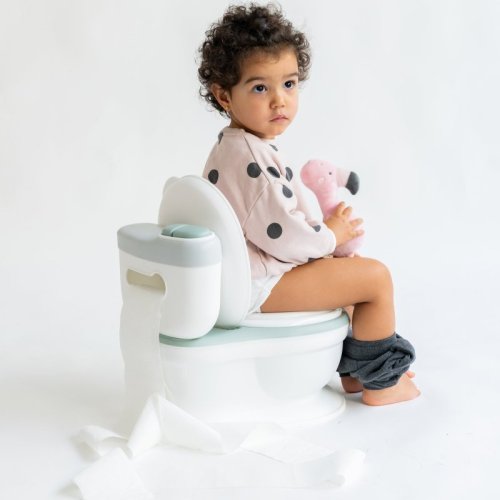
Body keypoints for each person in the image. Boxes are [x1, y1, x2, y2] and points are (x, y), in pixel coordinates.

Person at [198, 3, 420, 406]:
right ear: (224, 95)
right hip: (259, 286)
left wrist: (325, 244)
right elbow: (285, 235)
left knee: (349, 280)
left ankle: (356, 375)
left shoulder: (237, 147)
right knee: (375, 279)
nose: (279, 101)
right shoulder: (251, 159)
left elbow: (273, 225)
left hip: (253, 277)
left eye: (289, 84)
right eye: (260, 88)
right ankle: (383, 384)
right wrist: (330, 235)